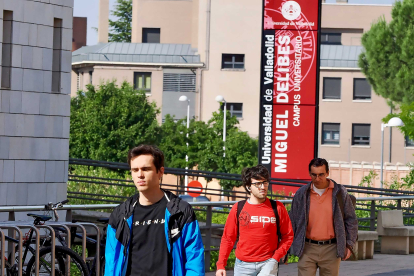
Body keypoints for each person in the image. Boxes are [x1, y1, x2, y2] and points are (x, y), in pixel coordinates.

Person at [104, 144, 205, 276]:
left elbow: (194, 259)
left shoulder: (180, 211)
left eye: (146, 169)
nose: (140, 175)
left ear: (160, 172)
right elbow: (112, 263)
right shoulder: (120, 214)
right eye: (135, 170)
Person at [216, 165, 294, 276]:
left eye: (265, 182)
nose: (263, 187)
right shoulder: (238, 208)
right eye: (258, 184)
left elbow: (288, 236)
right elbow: (228, 238)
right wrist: (221, 265)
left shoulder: (278, 207)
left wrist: (275, 258)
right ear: (248, 187)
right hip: (242, 266)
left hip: (268, 263)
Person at [290, 158, 358, 276]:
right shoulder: (302, 194)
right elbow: (292, 221)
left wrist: (349, 244)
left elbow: (351, 219)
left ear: (327, 173)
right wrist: (287, 249)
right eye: (314, 175)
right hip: (307, 248)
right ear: (309, 174)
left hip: (331, 249)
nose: (317, 179)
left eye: (321, 174)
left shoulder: (340, 193)